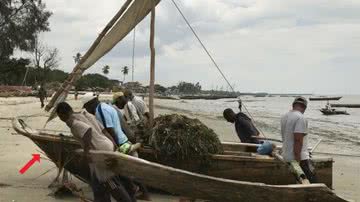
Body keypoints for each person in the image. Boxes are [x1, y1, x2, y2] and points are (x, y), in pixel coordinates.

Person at [56, 102, 135, 202]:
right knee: (97, 183)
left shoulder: (73, 122)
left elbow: (87, 131)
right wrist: (113, 144)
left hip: (99, 151)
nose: (60, 119)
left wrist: (85, 153)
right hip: (105, 145)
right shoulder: (87, 115)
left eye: (59, 116)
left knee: (108, 180)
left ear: (62, 114)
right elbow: (104, 131)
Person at [280, 97, 317, 183]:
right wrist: (298, 162)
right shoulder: (300, 118)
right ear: (304, 107)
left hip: (286, 156)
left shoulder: (284, 117)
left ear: (293, 105)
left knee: (297, 182)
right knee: (312, 183)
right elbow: (298, 140)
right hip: (299, 159)